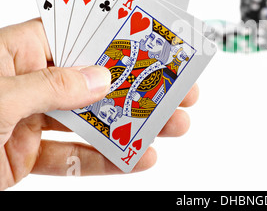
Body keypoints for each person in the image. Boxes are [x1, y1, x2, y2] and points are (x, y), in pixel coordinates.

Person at [0, 18, 199, 190]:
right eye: (153, 37)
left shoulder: (158, 78)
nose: (151, 39)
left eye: (157, 42)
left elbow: (143, 104)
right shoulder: (124, 48)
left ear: (160, 55)